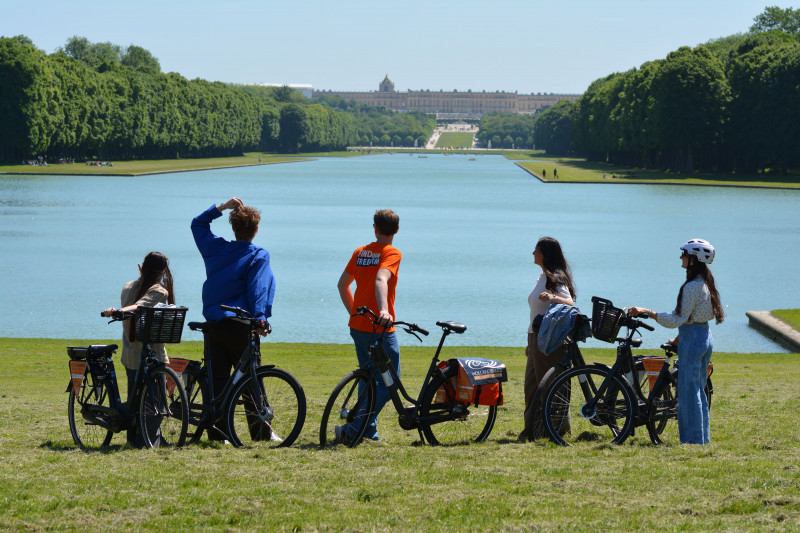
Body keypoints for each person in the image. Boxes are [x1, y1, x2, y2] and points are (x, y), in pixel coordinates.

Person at [191, 197, 276, 440]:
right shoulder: (258, 255)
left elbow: (197, 225)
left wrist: (221, 207)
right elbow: (257, 288)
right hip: (240, 324)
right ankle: (261, 433)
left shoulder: (217, 249)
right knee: (251, 379)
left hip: (214, 323)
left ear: (233, 228)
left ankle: (219, 434)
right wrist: (260, 318)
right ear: (256, 229)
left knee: (217, 380)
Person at [629, 238, 723, 445]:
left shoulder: (692, 287)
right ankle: (701, 440)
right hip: (703, 337)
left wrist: (648, 312)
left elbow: (676, 319)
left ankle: (691, 441)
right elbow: (695, 318)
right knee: (698, 391)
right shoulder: (706, 283)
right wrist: (681, 336)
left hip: (693, 339)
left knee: (689, 394)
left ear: (693, 259)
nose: (681, 257)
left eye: (684, 254)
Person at [336, 209, 402, 442]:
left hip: (358, 326)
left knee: (369, 378)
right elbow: (381, 279)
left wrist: (355, 313)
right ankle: (353, 429)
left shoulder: (360, 252)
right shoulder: (392, 253)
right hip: (380, 329)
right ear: (396, 230)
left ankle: (369, 432)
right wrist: (384, 310)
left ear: (375, 228)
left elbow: (342, 285)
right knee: (390, 381)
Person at [101, 251, 175, 446]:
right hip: (151, 354)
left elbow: (137, 304)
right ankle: (147, 440)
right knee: (155, 403)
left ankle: (138, 439)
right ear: (162, 272)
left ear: (141, 267)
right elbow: (141, 305)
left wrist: (119, 311)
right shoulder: (160, 291)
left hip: (131, 353)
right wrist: (121, 311)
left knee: (137, 401)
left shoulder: (128, 286)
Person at [521, 237, 576, 440]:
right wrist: (529, 342)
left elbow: (569, 302)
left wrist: (552, 297)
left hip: (548, 339)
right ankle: (532, 429)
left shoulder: (556, 277)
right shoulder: (542, 276)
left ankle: (554, 429)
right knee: (531, 386)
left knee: (549, 386)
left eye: (536, 249)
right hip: (535, 337)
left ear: (545, 254)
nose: (533, 253)